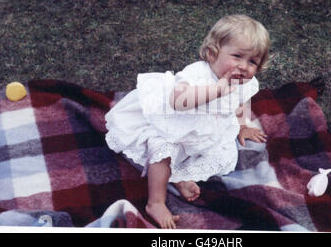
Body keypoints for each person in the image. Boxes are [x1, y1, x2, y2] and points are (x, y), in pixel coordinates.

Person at [105, 15, 270, 229]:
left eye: (252, 62)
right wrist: (217, 90)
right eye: (237, 56)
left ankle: (177, 177)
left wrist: (242, 124)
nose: (244, 66)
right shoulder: (197, 74)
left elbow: (241, 100)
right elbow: (177, 102)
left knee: (211, 149)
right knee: (162, 149)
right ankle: (155, 203)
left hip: (201, 129)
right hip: (170, 123)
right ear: (212, 53)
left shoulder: (243, 81)